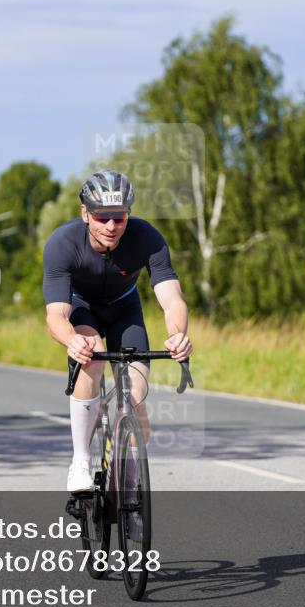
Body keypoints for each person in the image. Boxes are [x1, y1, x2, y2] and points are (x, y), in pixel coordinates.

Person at [42, 170, 193, 494]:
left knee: (135, 399)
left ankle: (130, 476)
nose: (111, 226)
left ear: (129, 215)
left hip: (125, 310)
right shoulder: (64, 243)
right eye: (102, 217)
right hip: (82, 309)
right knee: (91, 358)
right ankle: (80, 461)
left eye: (119, 217)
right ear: (85, 213)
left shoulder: (147, 238)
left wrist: (177, 333)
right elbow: (56, 314)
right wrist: (72, 340)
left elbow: (172, 299)